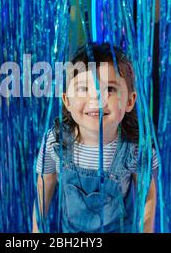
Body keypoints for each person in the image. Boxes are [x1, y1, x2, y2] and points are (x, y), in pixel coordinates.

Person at [32, 43, 158, 233]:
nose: (97, 98)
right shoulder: (55, 141)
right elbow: (45, 184)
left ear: (130, 101)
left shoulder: (135, 148)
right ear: (67, 101)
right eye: (84, 88)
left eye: (110, 89)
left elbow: (147, 194)